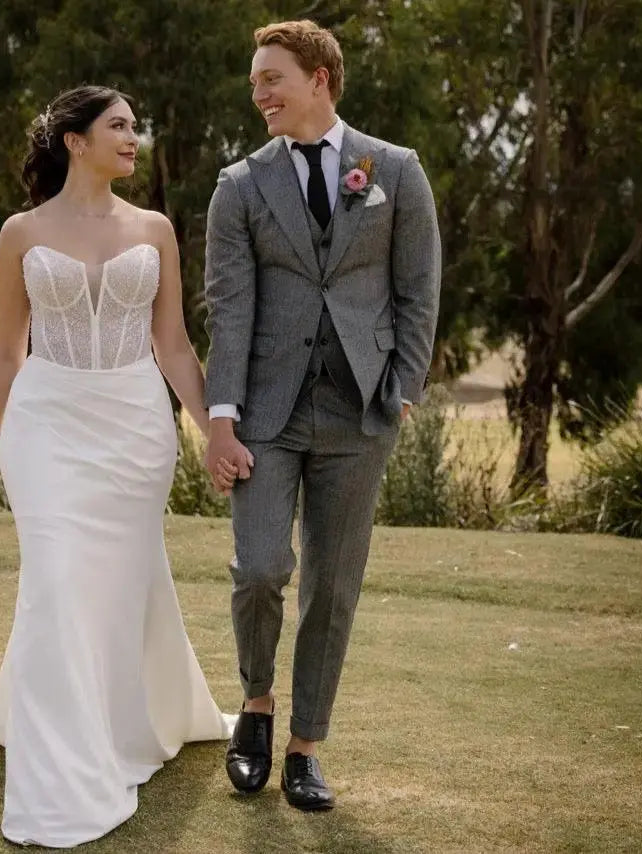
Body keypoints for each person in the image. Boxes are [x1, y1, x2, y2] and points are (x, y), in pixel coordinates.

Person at [0, 84, 234, 848]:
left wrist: (215, 428)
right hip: (45, 423)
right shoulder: (20, 232)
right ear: (73, 141)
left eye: (135, 127)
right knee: (54, 584)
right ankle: (61, 774)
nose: (133, 138)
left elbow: (174, 345)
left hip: (132, 427)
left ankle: (123, 725)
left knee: (116, 589)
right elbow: (7, 348)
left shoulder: (155, 228)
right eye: (118, 127)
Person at [203, 20, 441, 810]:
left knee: (333, 587)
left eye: (272, 78)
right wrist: (221, 418)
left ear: (320, 80)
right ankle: (257, 708)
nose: (260, 94)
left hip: (359, 411)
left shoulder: (395, 171)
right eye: (254, 83)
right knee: (262, 566)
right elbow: (229, 308)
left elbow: (418, 287)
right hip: (266, 411)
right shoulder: (238, 185)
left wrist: (405, 382)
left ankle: (305, 747)